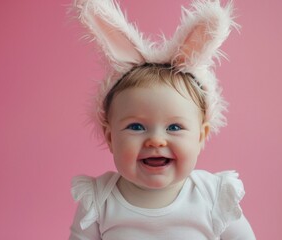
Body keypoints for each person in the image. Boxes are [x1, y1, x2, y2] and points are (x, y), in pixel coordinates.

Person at [69, 0, 256, 239]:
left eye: (174, 127)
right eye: (136, 126)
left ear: (201, 136)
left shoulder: (213, 196)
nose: (156, 140)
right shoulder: (99, 201)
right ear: (110, 137)